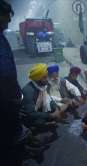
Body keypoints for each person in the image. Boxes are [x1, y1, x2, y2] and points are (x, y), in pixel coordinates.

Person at [0, 1, 24, 165]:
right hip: (4, 99)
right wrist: (12, 95)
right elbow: (5, 72)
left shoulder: (1, 36)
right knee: (8, 132)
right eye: (6, 15)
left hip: (8, 96)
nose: (9, 20)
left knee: (11, 132)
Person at [22, 64, 65, 129]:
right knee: (39, 121)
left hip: (42, 112)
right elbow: (31, 113)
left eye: (47, 76)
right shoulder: (28, 91)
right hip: (32, 118)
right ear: (38, 79)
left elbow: (49, 99)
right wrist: (50, 115)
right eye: (44, 77)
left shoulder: (42, 86)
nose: (47, 79)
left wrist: (56, 109)